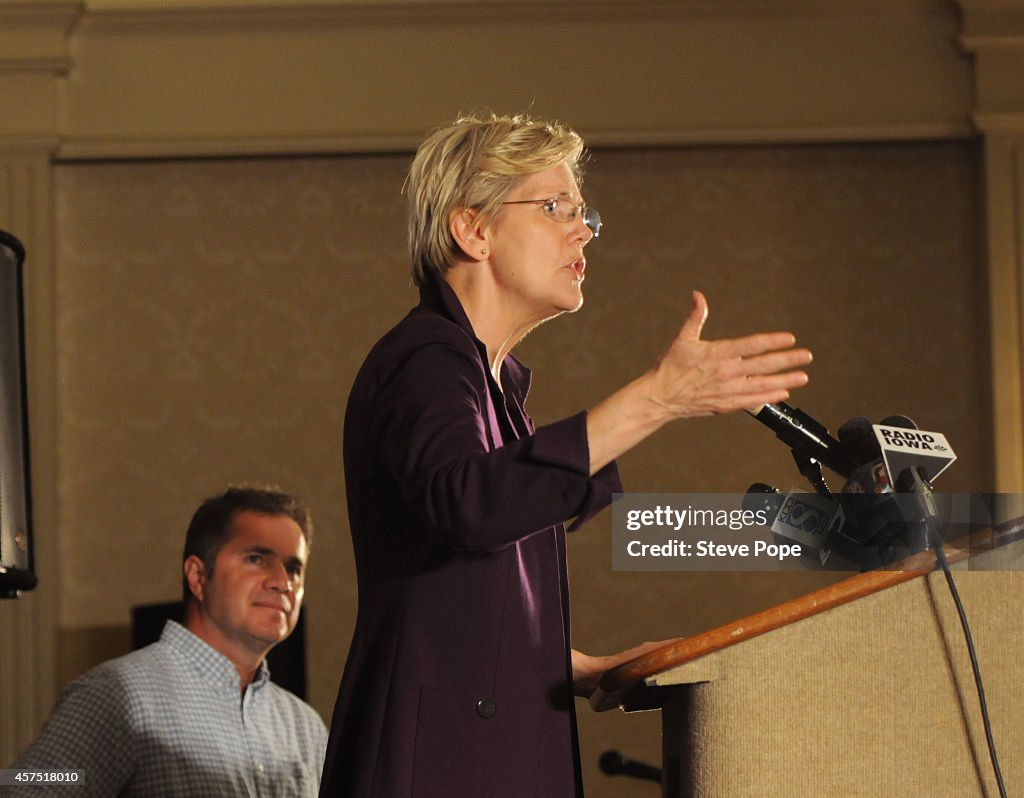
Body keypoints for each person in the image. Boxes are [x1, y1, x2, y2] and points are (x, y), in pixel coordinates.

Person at [319, 113, 812, 797]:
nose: (583, 230)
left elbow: (462, 597)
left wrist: (571, 665)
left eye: (584, 213)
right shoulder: (427, 360)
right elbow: (468, 504)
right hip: (435, 764)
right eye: (555, 207)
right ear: (473, 229)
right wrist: (657, 400)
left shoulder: (493, 385)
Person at [6, 486, 328, 797]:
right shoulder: (117, 695)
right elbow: (24, 784)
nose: (283, 582)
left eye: (293, 568)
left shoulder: (306, 727)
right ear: (198, 576)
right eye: (257, 559)